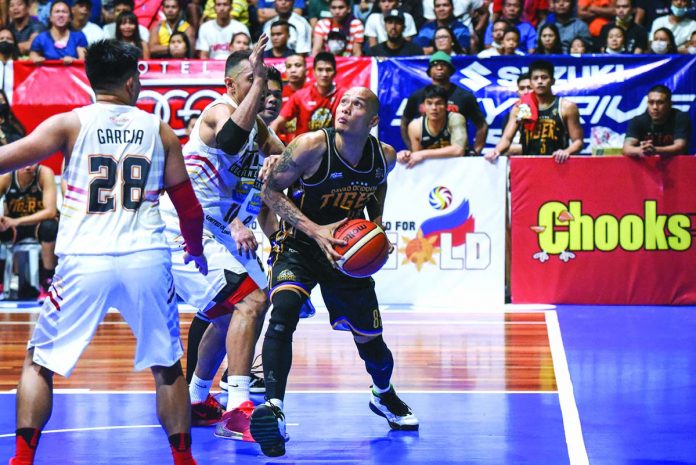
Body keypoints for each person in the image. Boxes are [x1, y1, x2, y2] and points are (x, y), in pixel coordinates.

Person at [3, 39, 207, 465]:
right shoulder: (159, 130)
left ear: (90, 79)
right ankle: (183, 460)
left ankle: (22, 459)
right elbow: (188, 207)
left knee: (39, 363)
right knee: (167, 366)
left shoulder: (69, 125)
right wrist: (194, 249)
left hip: (85, 259)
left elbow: (7, 159)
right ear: (133, 81)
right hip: (146, 257)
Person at [252, 86, 419, 457]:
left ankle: (383, 394)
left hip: (344, 253)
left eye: (356, 104)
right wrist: (315, 230)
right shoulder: (311, 146)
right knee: (282, 316)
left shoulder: (384, 156)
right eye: (343, 101)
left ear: (373, 120)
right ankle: (274, 408)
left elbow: (378, 185)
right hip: (298, 245)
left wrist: (376, 226)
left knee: (371, 342)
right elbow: (269, 191)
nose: (345, 108)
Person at [161, 37, 285, 442]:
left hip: (222, 229)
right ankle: (237, 408)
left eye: (264, 81)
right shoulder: (218, 112)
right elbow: (231, 140)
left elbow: (291, 167)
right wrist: (256, 76)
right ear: (231, 85)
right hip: (186, 226)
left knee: (233, 311)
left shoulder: (260, 129)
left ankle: (197, 398)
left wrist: (278, 161)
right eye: (253, 79)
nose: (262, 87)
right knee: (250, 300)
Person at [486, 59, 583, 162]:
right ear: (531, 83)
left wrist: (566, 151)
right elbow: (506, 138)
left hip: (558, 164)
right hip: (529, 165)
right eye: (535, 78)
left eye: (544, 77)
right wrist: (496, 151)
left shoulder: (567, 107)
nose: (540, 81)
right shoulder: (521, 107)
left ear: (553, 81)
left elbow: (578, 141)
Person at [400, 51, 488, 156]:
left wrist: (476, 152)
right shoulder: (417, 96)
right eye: (435, 65)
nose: (439, 68)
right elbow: (404, 123)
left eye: (443, 64)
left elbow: (482, 126)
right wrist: (413, 151)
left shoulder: (465, 96)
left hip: (456, 155)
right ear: (429, 71)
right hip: (426, 157)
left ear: (451, 70)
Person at [0, 164, 58, 297]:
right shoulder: (7, 177)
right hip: (14, 227)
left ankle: (48, 280)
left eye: (32, 162)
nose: (28, 167)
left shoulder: (44, 174)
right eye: (24, 163)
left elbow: (51, 211)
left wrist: (17, 221)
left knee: (49, 227)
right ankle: (3, 281)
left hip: (38, 224)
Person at [270, 52, 345, 142]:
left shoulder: (344, 95)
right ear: (313, 72)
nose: (324, 74)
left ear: (335, 72)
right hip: (302, 148)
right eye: (320, 70)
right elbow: (277, 122)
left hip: (331, 147)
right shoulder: (300, 95)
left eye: (328, 70)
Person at [398, 85, 467, 168]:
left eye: (438, 103)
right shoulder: (415, 126)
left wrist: (423, 154)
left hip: (457, 168)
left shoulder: (455, 119)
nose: (434, 108)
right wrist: (405, 156)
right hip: (430, 170)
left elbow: (458, 151)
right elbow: (416, 158)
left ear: (446, 106)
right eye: (429, 103)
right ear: (423, 106)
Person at [623, 84, 691, 156]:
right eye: (651, 102)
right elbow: (626, 148)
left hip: (677, 165)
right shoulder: (638, 121)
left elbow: (680, 147)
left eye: (660, 102)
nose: (655, 107)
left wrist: (655, 150)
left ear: (669, 104)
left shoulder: (680, 118)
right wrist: (640, 150)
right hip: (647, 165)